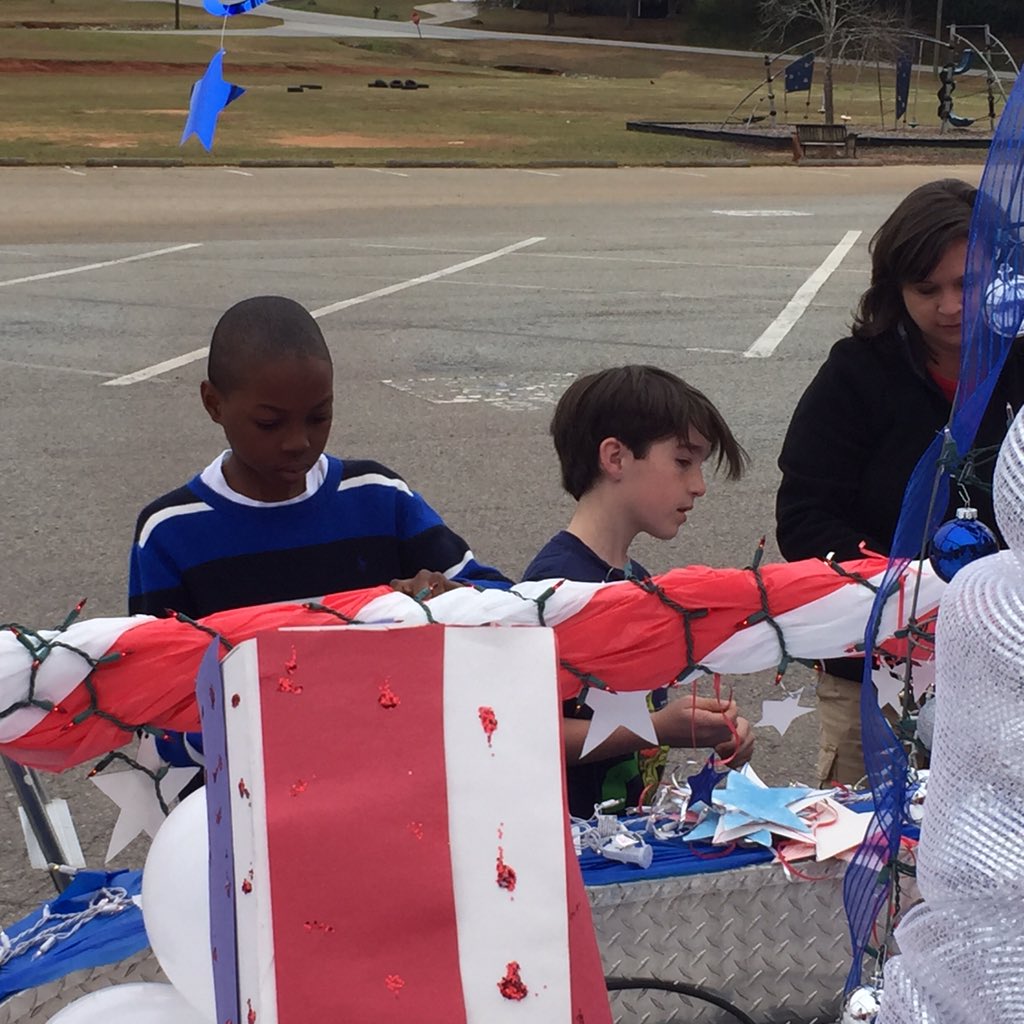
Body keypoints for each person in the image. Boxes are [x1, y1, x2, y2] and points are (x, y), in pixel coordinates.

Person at [775, 178, 1024, 787]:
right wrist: (908, 593)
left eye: (967, 283)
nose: (949, 307)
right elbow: (804, 518)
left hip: (1004, 671)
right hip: (877, 674)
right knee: (868, 859)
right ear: (894, 290)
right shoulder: (856, 375)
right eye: (925, 289)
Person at [129, 295, 510, 620]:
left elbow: (506, 597)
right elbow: (153, 670)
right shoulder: (170, 531)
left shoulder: (379, 498)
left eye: (319, 417)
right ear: (213, 403)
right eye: (269, 423)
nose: (298, 442)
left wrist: (451, 593)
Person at [521, 365, 755, 819]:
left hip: (624, 834)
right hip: (572, 844)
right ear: (615, 458)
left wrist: (711, 732)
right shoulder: (557, 589)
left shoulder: (635, 579)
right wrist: (654, 729)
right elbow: (522, 730)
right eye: (683, 462)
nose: (699, 486)